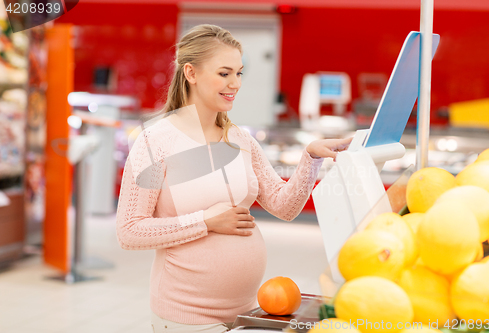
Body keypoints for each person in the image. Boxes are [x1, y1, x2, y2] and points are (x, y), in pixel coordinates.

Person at [115, 24, 352, 333]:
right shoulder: (155, 141)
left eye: (239, 73)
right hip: (187, 320)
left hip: (246, 312)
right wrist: (206, 221)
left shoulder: (239, 139)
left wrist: (311, 159)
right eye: (224, 73)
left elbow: (284, 207)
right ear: (191, 73)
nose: (235, 83)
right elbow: (130, 231)